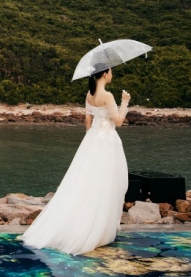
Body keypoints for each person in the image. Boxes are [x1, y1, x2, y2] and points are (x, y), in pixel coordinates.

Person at [20, 65, 131, 255]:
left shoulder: (90, 94)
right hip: (106, 143)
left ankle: (82, 226)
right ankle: (98, 229)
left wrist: (93, 138)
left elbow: (88, 122)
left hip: (93, 140)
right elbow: (119, 122)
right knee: (104, 184)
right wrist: (125, 102)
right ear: (105, 74)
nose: (112, 74)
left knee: (84, 183)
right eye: (111, 71)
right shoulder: (108, 96)